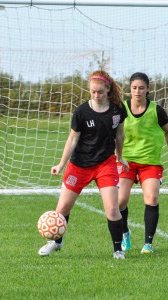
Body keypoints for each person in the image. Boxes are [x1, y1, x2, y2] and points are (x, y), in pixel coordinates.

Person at [38, 70, 129, 259]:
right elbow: (72, 140)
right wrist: (61, 164)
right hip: (79, 165)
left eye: (100, 92)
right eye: (93, 92)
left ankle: (118, 249)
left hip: (105, 163)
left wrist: (119, 157)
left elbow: (120, 135)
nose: (96, 95)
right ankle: (56, 242)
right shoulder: (81, 112)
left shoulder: (118, 109)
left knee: (112, 208)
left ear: (108, 90)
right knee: (62, 209)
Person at [117, 72, 168, 254]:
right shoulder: (121, 109)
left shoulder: (157, 110)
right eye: (134, 88)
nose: (138, 91)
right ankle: (124, 233)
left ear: (148, 89)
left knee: (152, 198)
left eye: (142, 88)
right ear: (130, 89)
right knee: (120, 201)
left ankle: (148, 244)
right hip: (126, 160)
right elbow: (113, 132)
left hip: (150, 162)